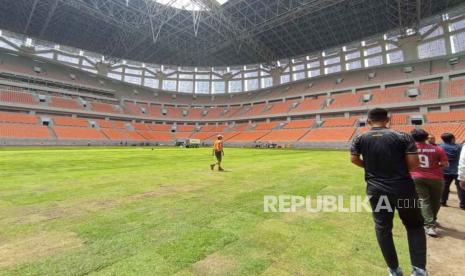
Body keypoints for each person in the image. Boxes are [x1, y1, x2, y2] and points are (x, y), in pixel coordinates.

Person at [351, 108, 427, 276]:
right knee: (414, 226)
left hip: (376, 190)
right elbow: (414, 164)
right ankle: (419, 270)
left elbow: (354, 159)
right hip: (404, 189)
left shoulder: (359, 138)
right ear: (388, 120)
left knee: (383, 227)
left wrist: (369, 167)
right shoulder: (403, 136)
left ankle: (394, 270)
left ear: (369, 121)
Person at [410, 129, 448, 237]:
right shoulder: (438, 149)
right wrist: (435, 166)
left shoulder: (410, 150)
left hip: (416, 176)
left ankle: (429, 224)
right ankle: (431, 221)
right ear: (426, 138)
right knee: (436, 200)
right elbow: (445, 164)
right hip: (436, 177)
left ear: (412, 138)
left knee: (424, 200)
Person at [439, 133, 464, 208]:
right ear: (453, 139)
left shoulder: (440, 147)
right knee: (461, 188)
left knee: (444, 187)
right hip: (457, 170)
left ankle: (442, 201)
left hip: (445, 170)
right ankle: (463, 204)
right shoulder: (459, 147)